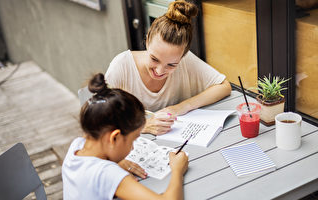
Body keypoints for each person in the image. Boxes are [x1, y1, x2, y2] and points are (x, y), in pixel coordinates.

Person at [105, 0, 232, 135]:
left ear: (183, 56)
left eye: (171, 65)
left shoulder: (186, 60)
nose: (159, 71)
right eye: (154, 59)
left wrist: (182, 107)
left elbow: (224, 86)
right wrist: (144, 126)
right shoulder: (122, 66)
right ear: (147, 40)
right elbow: (98, 119)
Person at [62, 73, 188, 200]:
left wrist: (117, 162)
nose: (133, 148)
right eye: (133, 140)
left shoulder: (77, 145)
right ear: (114, 138)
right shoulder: (106, 174)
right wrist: (177, 170)